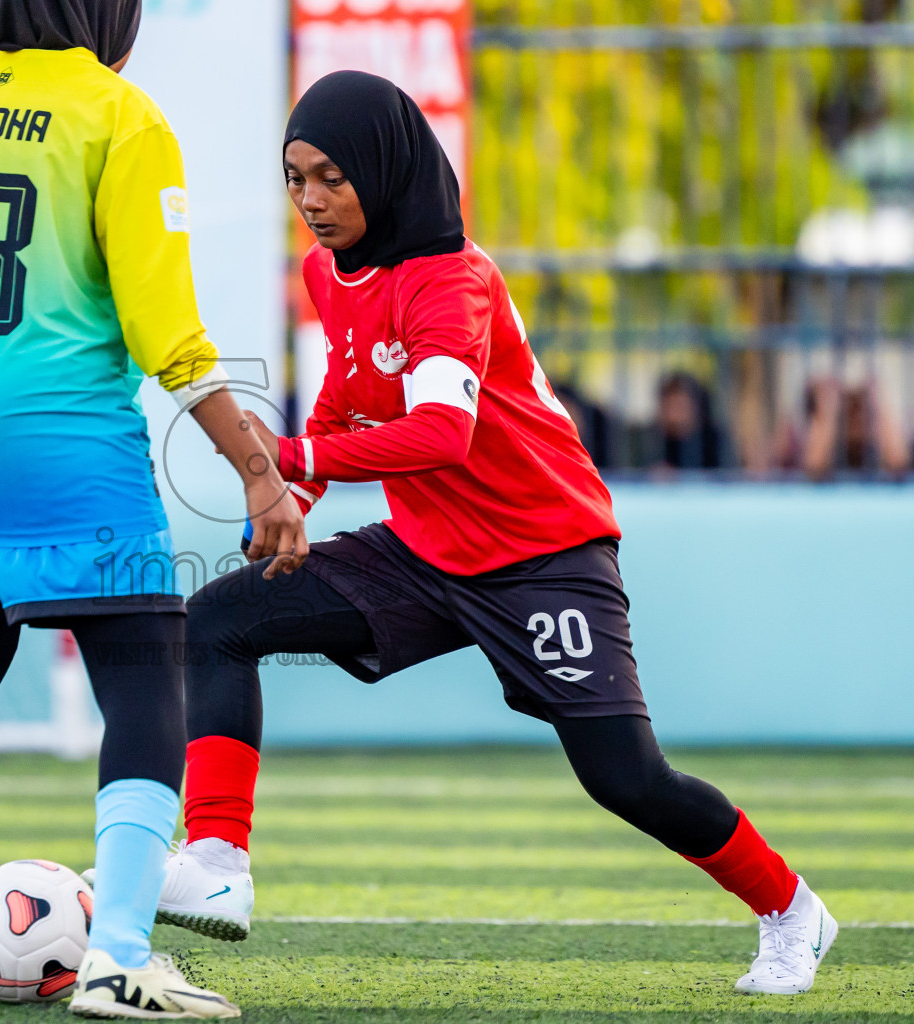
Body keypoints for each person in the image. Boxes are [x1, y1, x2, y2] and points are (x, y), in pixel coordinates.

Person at [151, 72, 836, 997]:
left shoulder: (454, 279)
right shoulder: (328, 273)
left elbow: (442, 434)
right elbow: (347, 405)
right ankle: (217, 862)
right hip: (428, 548)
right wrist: (289, 497)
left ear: (387, 173)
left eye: (332, 178)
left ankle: (792, 910)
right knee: (221, 617)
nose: (311, 201)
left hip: (545, 555)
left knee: (626, 780)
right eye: (295, 177)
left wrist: (281, 453)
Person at [0, 1, 304, 1017]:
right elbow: (164, 327)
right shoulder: (121, 115)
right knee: (144, 666)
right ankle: (120, 954)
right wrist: (256, 469)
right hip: (52, 430)